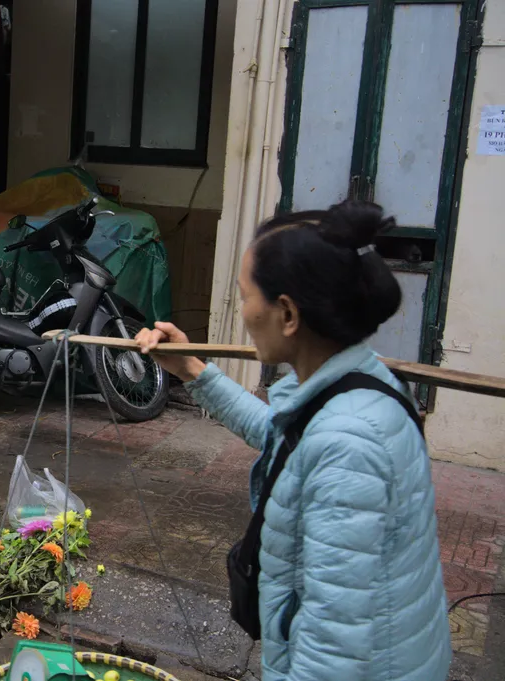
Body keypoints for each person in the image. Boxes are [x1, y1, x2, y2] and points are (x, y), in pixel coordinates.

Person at [136, 201, 451, 680]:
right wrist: (192, 370)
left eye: (245, 296)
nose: (242, 312)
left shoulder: (348, 445)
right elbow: (284, 440)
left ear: (286, 313)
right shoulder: (360, 385)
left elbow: (334, 651)